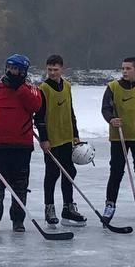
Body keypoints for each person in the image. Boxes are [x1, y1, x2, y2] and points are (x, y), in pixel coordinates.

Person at [0, 54, 43, 232]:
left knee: (20, 184)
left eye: (16, 69)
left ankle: (18, 220)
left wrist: (20, 88)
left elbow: (36, 106)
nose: (12, 71)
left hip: (22, 146)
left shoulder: (30, 89)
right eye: (10, 67)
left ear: (23, 71)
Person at [101, 56, 135, 224]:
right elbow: (105, 108)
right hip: (119, 137)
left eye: (128, 68)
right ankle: (110, 204)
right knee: (116, 171)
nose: (124, 71)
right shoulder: (112, 87)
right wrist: (111, 119)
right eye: (123, 68)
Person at [34, 54, 86, 227]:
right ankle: (49, 208)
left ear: (62, 69)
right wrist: (44, 138)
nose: (52, 73)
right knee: (52, 174)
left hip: (66, 137)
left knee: (69, 172)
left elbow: (70, 112)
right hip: (51, 139)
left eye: (56, 70)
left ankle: (68, 207)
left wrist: (75, 134)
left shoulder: (67, 86)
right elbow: (39, 117)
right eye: (49, 70)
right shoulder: (43, 88)